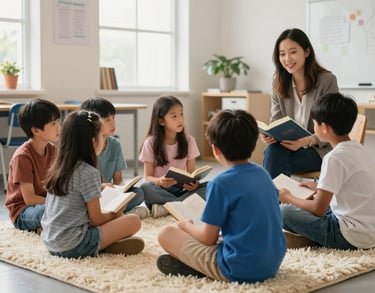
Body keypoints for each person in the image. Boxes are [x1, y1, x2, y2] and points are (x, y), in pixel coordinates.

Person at [156, 109, 287, 283]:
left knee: (166, 233)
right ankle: (200, 266)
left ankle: (203, 270)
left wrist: (186, 226)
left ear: (215, 149)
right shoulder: (263, 173)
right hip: (273, 263)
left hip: (240, 268)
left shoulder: (220, 183)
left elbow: (208, 239)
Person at [41, 110, 144, 259]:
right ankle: (100, 245)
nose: (105, 139)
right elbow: (97, 219)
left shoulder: (59, 167)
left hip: (51, 242)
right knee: (133, 221)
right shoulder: (88, 172)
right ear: (92, 141)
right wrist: (117, 212)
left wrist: (103, 191)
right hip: (73, 245)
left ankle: (104, 244)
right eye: (102, 135)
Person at [279, 92, 375, 250]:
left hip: (350, 235)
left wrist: (288, 197)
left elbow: (318, 209)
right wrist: (319, 187)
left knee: (284, 212)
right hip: (369, 231)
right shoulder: (360, 150)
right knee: (313, 199)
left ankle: (311, 238)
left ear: (324, 128)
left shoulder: (334, 157)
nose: (314, 128)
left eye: (315, 123)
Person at [261, 28, 339, 178]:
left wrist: (306, 141)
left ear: (307, 52)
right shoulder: (279, 83)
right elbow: (276, 122)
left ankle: (273, 200)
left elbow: (332, 126)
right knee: (272, 152)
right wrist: (270, 135)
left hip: (319, 149)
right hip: (289, 148)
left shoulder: (327, 81)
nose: (287, 59)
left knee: (274, 161)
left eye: (293, 52)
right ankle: (279, 200)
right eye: (282, 54)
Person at [139, 95, 207, 218]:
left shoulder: (189, 140)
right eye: (174, 116)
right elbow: (147, 177)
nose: (180, 119)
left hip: (182, 189)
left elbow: (192, 173)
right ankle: (183, 205)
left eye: (181, 114)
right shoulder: (150, 143)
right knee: (144, 188)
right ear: (161, 121)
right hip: (161, 190)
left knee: (211, 187)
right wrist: (159, 181)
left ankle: (166, 208)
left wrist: (194, 184)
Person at [80, 97, 148, 218]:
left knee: (139, 193)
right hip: (90, 196)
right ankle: (117, 213)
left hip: (109, 194)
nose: (113, 123)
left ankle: (114, 211)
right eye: (107, 120)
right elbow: (80, 185)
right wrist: (102, 187)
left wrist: (121, 191)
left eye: (113, 118)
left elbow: (118, 179)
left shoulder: (115, 144)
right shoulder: (83, 146)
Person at [5, 99, 61, 233]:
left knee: (69, 210)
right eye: (53, 123)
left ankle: (45, 227)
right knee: (50, 212)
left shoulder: (52, 150)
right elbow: (30, 199)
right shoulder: (23, 157)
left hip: (45, 201)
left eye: (57, 121)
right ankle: (44, 226)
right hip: (24, 211)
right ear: (36, 130)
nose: (58, 127)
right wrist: (59, 204)